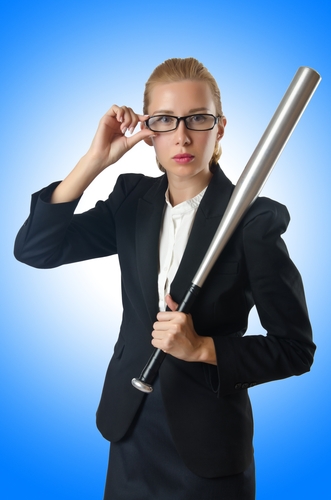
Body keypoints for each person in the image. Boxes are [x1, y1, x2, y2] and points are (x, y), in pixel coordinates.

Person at [14, 57, 315, 500]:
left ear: (220, 127)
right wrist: (94, 161)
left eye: (198, 118)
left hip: (209, 451)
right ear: (148, 130)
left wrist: (203, 348)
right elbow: (36, 250)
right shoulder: (131, 201)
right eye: (165, 120)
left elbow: (295, 350)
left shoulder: (254, 220)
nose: (182, 135)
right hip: (130, 429)